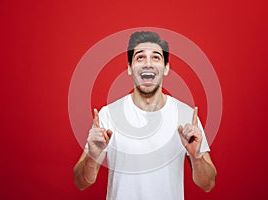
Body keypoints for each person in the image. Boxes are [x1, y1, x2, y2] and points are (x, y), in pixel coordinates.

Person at [73, 31, 217, 199]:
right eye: (140, 57)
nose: (148, 63)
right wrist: (93, 155)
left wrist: (196, 156)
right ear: (129, 67)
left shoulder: (186, 116)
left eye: (156, 57)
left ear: (166, 68)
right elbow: (81, 182)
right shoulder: (108, 115)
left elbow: (208, 184)